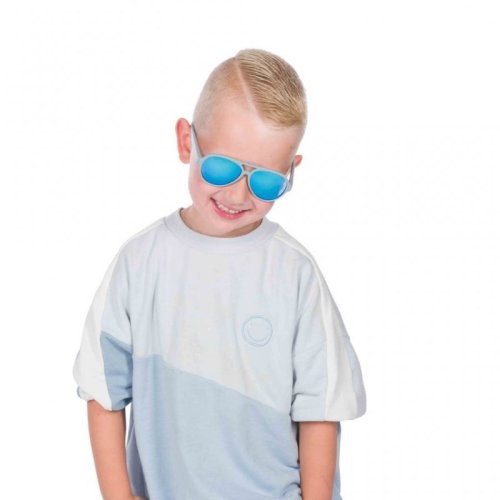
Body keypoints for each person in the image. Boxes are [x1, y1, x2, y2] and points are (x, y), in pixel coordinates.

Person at [73, 48, 367, 500]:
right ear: (186, 143)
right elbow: (103, 390)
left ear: (291, 172)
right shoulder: (140, 263)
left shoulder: (295, 274)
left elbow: (320, 409)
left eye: (265, 181)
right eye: (222, 168)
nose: (238, 194)